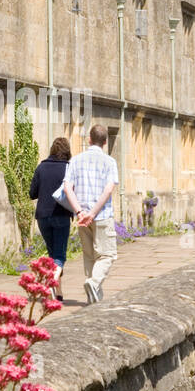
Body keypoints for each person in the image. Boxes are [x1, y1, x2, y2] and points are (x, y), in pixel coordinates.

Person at [63, 124, 119, 303]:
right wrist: (93, 213)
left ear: (89, 139)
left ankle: (93, 300)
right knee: (107, 255)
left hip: (82, 217)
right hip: (101, 216)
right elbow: (108, 189)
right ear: (105, 141)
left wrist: (80, 211)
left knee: (89, 257)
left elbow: (67, 188)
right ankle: (94, 283)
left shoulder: (76, 160)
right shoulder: (109, 161)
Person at [29, 136, 73, 298]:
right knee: (59, 256)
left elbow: (32, 193)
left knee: (52, 255)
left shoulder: (41, 167)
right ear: (67, 151)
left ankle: (59, 292)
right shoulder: (69, 168)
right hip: (61, 216)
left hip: (42, 216)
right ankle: (51, 283)